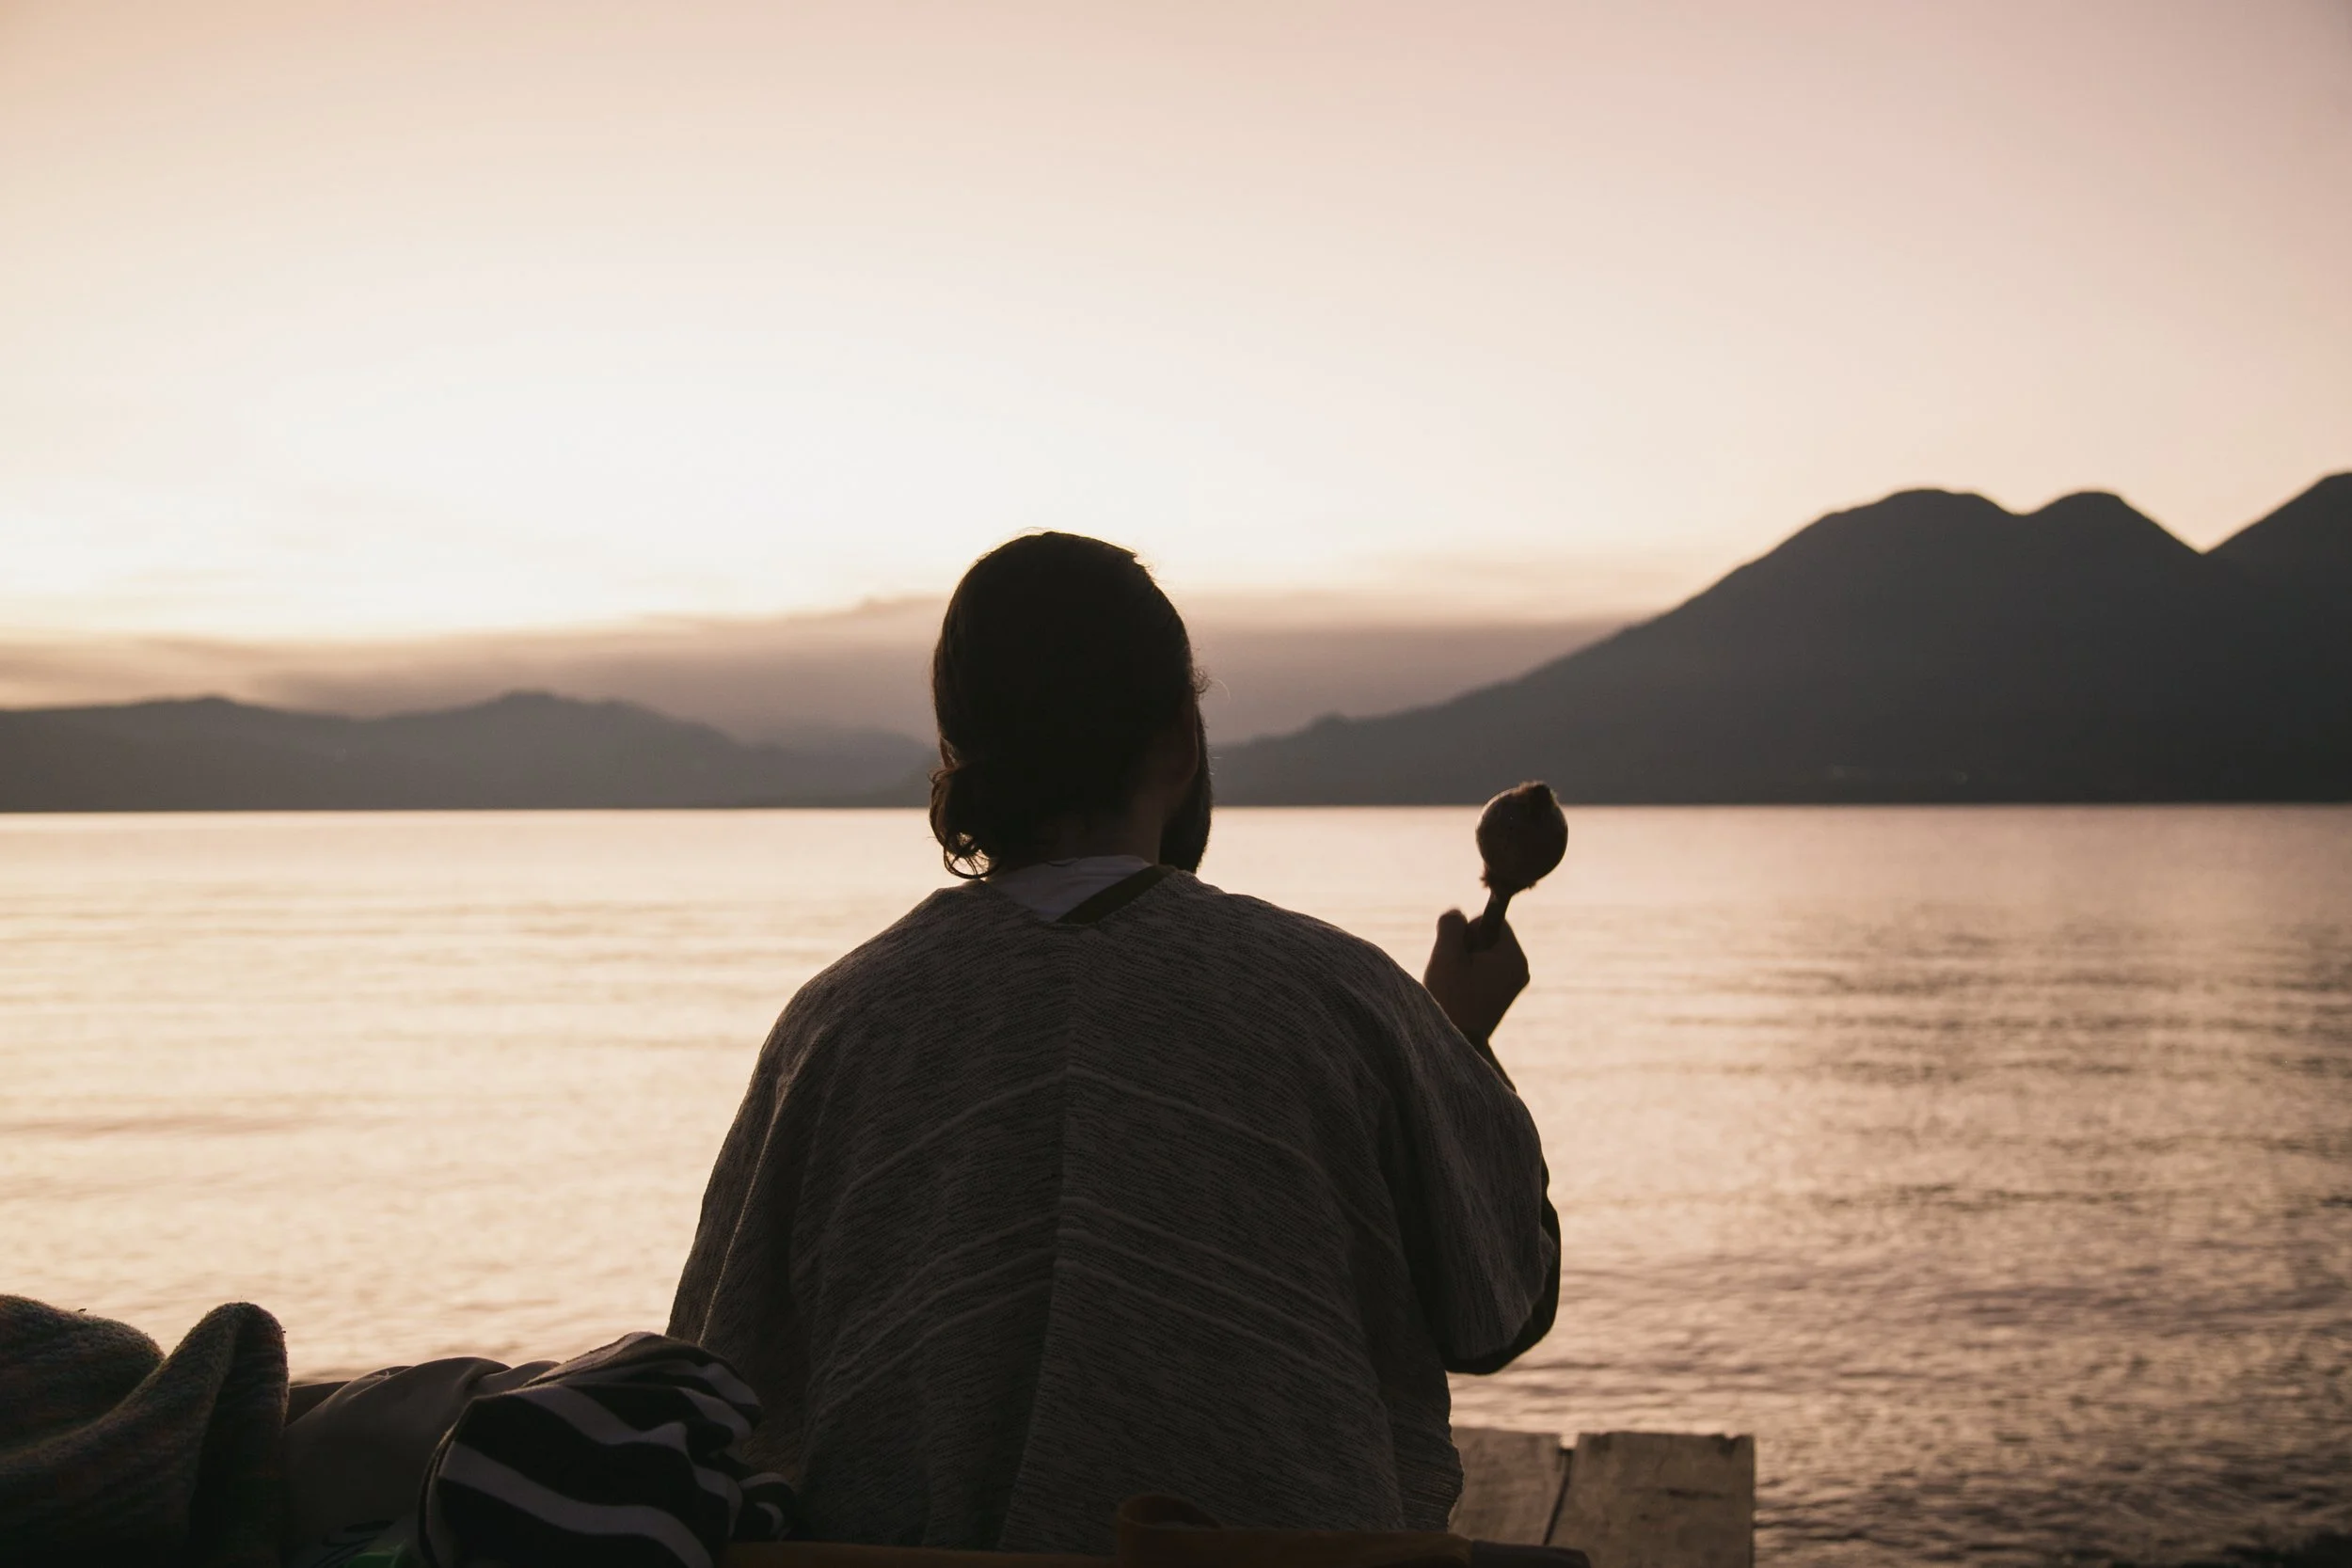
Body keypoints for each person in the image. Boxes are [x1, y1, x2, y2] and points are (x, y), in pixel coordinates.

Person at [669, 532, 1558, 1554]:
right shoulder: (1339, 998)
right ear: (1179, 738)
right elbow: (1500, 1302)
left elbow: (711, 1384)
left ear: (959, 754)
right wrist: (1457, 1039)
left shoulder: (834, 1027)